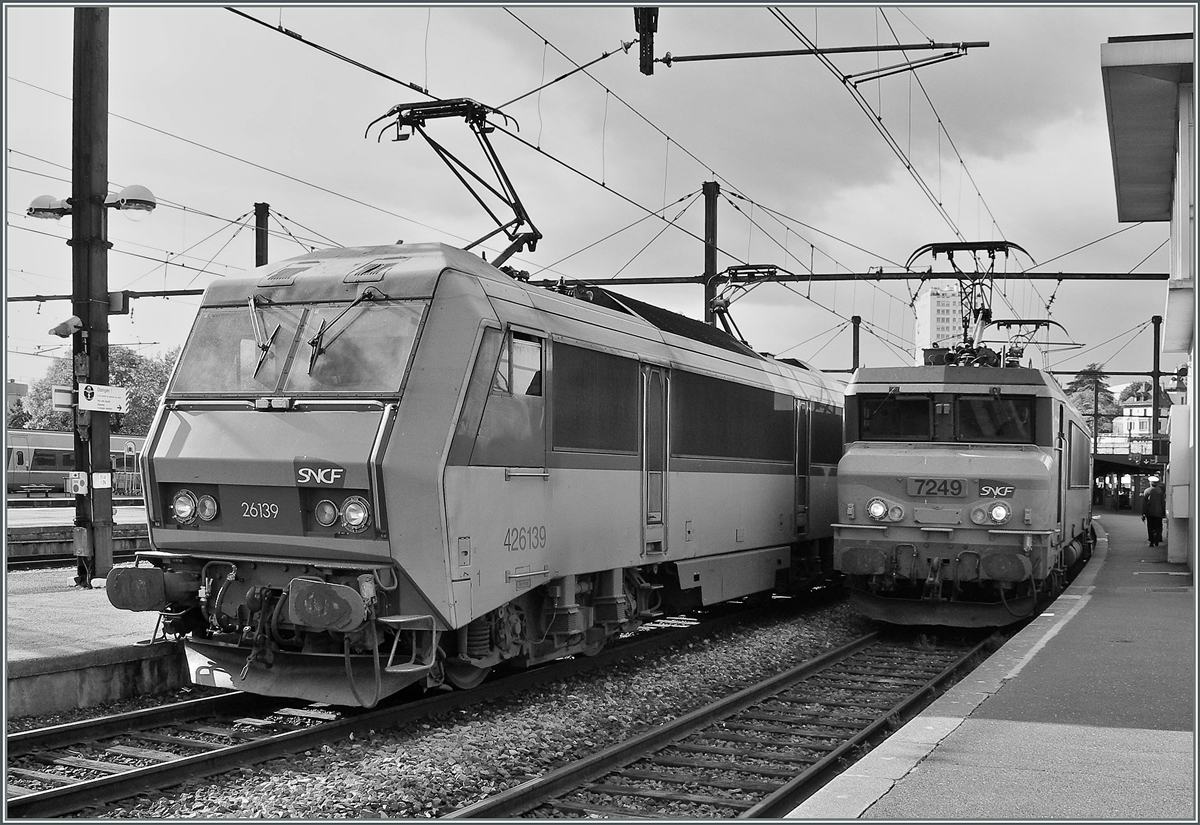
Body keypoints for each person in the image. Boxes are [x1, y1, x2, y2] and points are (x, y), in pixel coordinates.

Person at [1141, 478, 1167, 546]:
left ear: (1150, 483)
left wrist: (1143, 513)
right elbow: (1163, 502)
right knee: (1158, 526)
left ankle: (1151, 541)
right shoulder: (1160, 491)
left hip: (1150, 513)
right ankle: (1157, 539)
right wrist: (1163, 512)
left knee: (1150, 527)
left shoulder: (1147, 491)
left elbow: (1144, 504)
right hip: (1159, 513)